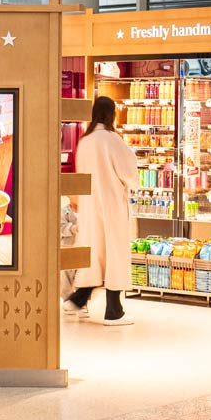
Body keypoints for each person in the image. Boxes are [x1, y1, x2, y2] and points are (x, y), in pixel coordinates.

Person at [69, 95, 140, 326]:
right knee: (114, 255)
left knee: (94, 254)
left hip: (89, 206)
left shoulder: (85, 140)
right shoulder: (111, 139)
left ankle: (78, 300)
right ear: (111, 114)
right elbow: (129, 173)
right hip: (111, 206)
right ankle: (113, 310)